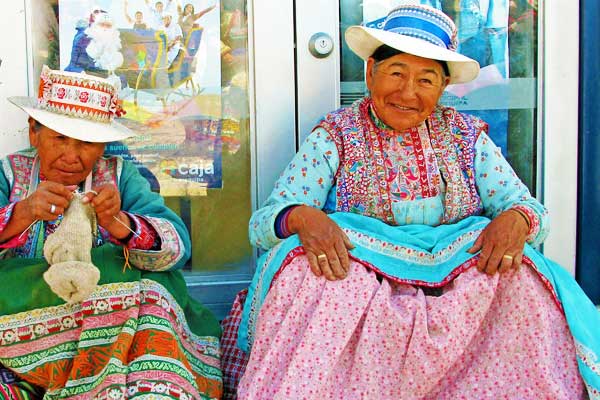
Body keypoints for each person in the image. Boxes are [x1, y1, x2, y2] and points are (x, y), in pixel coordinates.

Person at [225, 4, 600, 399]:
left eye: (426, 80)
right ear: (370, 72)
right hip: (363, 278)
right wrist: (302, 217)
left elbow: (524, 205)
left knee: (519, 273)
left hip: (455, 281)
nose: (408, 93)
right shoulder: (336, 134)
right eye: (397, 73)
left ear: (442, 88)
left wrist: (517, 220)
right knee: (307, 269)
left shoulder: (466, 136)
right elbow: (265, 221)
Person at [0, 66, 222, 399]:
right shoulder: (8, 173)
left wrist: (119, 222)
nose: (72, 156)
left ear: (103, 146)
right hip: (25, 324)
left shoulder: (118, 175)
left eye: (87, 143)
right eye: (59, 138)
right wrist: (22, 213)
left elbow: (177, 246)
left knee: (155, 285)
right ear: (34, 132)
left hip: (110, 324)